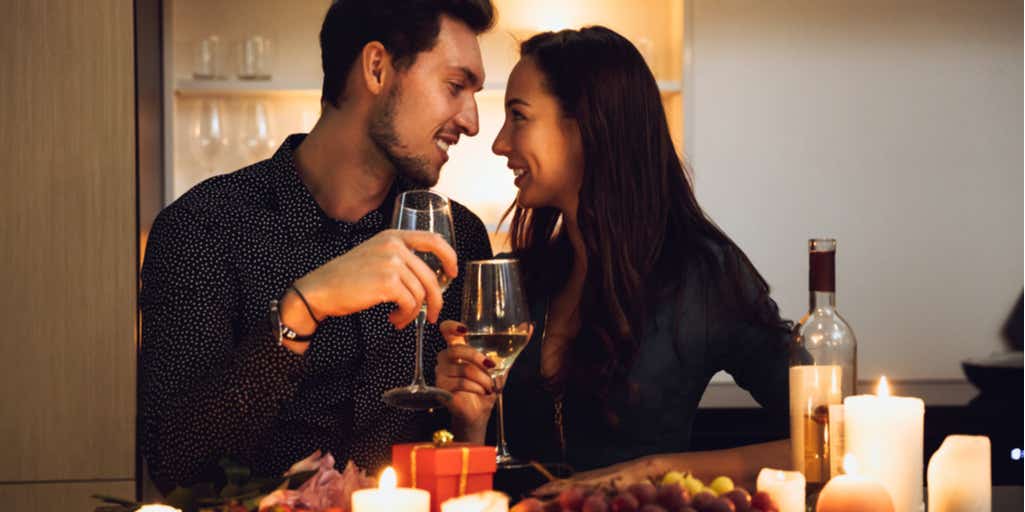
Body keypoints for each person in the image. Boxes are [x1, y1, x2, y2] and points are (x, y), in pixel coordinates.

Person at [140, 0, 495, 492]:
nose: (473, 121)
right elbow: (175, 465)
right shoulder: (205, 228)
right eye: (455, 87)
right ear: (376, 68)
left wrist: (471, 421)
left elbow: (470, 466)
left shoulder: (457, 240)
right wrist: (303, 308)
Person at [435, 26, 793, 492]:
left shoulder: (705, 275)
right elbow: (478, 481)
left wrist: (651, 470)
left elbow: (832, 438)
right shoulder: (524, 279)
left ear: (587, 126)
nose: (500, 143)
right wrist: (468, 422)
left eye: (518, 116)